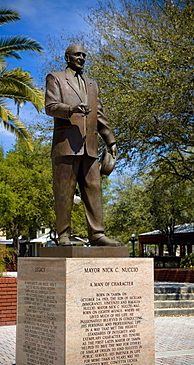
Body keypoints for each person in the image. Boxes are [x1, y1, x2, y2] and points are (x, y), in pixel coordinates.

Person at [45, 43, 119, 247]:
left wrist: (110, 139)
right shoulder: (56, 78)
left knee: (94, 188)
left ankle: (97, 234)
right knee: (64, 191)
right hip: (66, 145)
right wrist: (71, 109)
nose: (82, 58)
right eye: (77, 55)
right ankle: (64, 235)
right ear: (67, 58)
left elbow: (99, 114)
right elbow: (50, 107)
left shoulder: (92, 84)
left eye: (84, 55)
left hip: (90, 146)